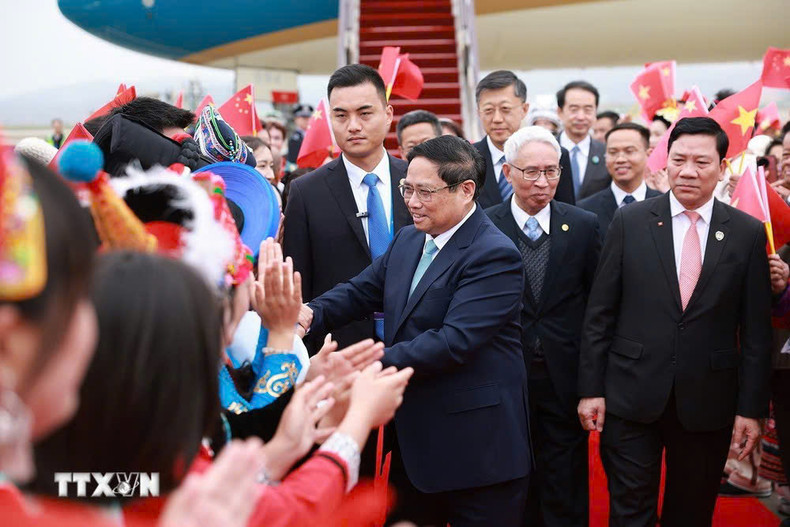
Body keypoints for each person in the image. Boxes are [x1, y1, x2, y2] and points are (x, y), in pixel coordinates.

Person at [300, 135, 531, 526]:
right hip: (415, 442)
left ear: (465, 190)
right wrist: (309, 313)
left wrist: (357, 366)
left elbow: (453, 341)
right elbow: (361, 291)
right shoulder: (410, 238)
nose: (411, 201)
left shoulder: (494, 253)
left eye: (425, 191)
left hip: (476, 450)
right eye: (407, 187)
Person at [577, 116, 772, 526]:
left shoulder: (746, 233)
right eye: (679, 159)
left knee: (692, 511)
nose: (687, 171)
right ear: (664, 163)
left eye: (701, 162)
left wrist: (751, 409)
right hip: (631, 393)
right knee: (630, 510)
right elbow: (600, 313)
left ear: (722, 167)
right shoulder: (630, 222)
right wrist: (591, 389)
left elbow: (756, 331)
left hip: (708, 400)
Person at [485, 126, 600, 527]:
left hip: (563, 373)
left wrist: (592, 384)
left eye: (552, 171)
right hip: (502, 373)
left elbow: (595, 308)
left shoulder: (584, 226)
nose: (542, 182)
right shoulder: (484, 226)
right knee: (508, 474)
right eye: (531, 171)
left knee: (564, 476)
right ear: (506, 172)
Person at [283, 64, 412, 353]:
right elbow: (299, 283)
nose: (353, 126)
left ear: (388, 114)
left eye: (365, 114)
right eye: (341, 116)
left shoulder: (418, 180)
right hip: (339, 351)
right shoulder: (307, 192)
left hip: (419, 346)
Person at [473, 70, 575, 208]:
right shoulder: (467, 159)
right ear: (479, 112)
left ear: (524, 109)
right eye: (489, 110)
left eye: (505, 109)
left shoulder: (555, 155)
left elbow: (565, 211)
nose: (497, 119)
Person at [578, 123, 664, 233]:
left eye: (629, 151)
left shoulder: (664, 206)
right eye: (613, 152)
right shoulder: (585, 210)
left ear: (648, 154)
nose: (620, 159)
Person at [556, 80, 610, 199]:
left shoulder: (606, 153)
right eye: (574, 109)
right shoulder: (547, 149)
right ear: (560, 112)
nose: (581, 117)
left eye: (588, 110)